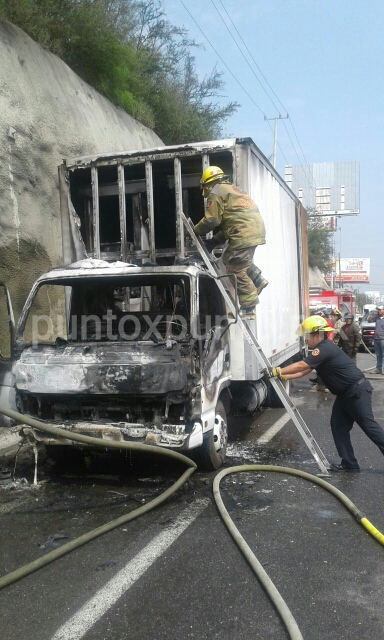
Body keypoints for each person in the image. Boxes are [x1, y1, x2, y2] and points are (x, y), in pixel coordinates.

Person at [264, 315, 384, 471]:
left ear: (316, 335)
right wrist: (282, 375)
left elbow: (301, 365)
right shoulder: (322, 348)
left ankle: (350, 463)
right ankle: (349, 464)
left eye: (307, 335)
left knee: (369, 427)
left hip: (356, 392)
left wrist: (277, 370)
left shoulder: (324, 348)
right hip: (345, 394)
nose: (305, 339)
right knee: (338, 426)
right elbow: (304, 371)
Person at [194, 166, 267, 316]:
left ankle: (249, 307)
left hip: (244, 232)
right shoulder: (232, 189)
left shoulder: (215, 191)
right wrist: (214, 240)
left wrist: (195, 231)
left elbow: (212, 219)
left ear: (207, 183)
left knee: (236, 268)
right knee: (230, 258)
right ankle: (257, 279)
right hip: (252, 229)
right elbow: (232, 221)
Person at [367, 305, 384, 374]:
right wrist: (372, 314)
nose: (379, 311)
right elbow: (369, 321)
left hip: (383, 339)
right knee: (378, 355)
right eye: (378, 310)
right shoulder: (376, 317)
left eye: (380, 310)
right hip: (376, 339)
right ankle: (378, 369)